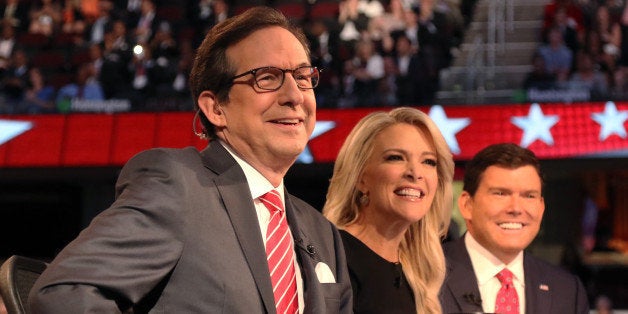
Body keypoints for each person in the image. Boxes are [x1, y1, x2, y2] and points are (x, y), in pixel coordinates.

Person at [28, 6, 352, 313]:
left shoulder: (322, 233)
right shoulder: (177, 185)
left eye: (303, 76)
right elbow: (65, 293)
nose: (295, 95)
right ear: (216, 108)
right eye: (266, 77)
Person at [323, 107, 455, 314]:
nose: (415, 173)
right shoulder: (332, 257)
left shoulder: (416, 271)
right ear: (361, 178)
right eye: (396, 157)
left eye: (428, 162)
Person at [439, 143, 589, 314]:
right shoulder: (423, 273)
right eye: (500, 193)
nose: (516, 208)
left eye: (529, 196)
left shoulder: (567, 291)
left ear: (541, 208)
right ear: (467, 205)